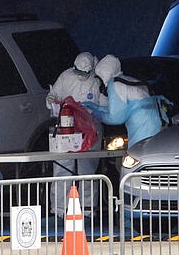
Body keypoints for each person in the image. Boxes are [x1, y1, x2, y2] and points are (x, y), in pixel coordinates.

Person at [46, 52, 107, 219]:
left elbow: (106, 106)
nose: (80, 76)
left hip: (90, 130)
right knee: (62, 169)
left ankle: (87, 210)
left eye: (84, 74)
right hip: (67, 128)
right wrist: (51, 100)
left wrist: (95, 111)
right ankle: (59, 209)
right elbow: (53, 97)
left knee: (87, 171)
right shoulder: (66, 76)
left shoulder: (97, 81)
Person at [83, 54, 170, 148]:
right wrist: (97, 107)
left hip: (143, 130)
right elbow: (120, 109)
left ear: (104, 75)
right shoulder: (126, 80)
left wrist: (94, 113)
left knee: (139, 157)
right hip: (154, 125)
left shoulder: (115, 85)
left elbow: (115, 118)